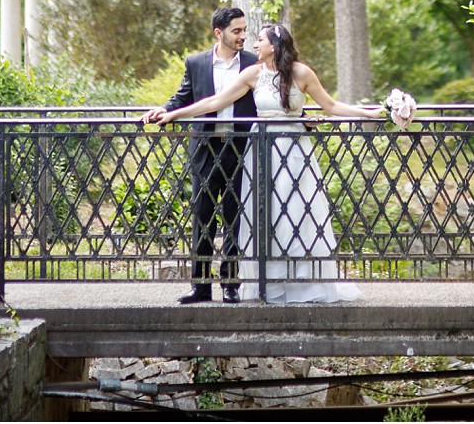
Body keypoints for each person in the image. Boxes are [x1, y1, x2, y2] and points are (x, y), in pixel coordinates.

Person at [146, 22, 384, 302]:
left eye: (260, 40)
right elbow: (214, 102)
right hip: (261, 152)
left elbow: (331, 106)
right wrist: (174, 114)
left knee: (298, 212)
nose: (254, 44)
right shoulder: (253, 74)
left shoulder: (302, 73)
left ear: (274, 45)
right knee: (264, 214)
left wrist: (371, 113)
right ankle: (269, 283)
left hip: (294, 152)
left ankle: (303, 283)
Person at [142, 7, 258, 304]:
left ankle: (230, 284)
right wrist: (164, 110)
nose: (243, 35)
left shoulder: (254, 63)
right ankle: (201, 286)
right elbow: (183, 96)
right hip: (205, 148)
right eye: (237, 31)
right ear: (218, 33)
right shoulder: (195, 63)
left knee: (234, 217)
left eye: (244, 30)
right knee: (202, 218)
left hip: (240, 147)